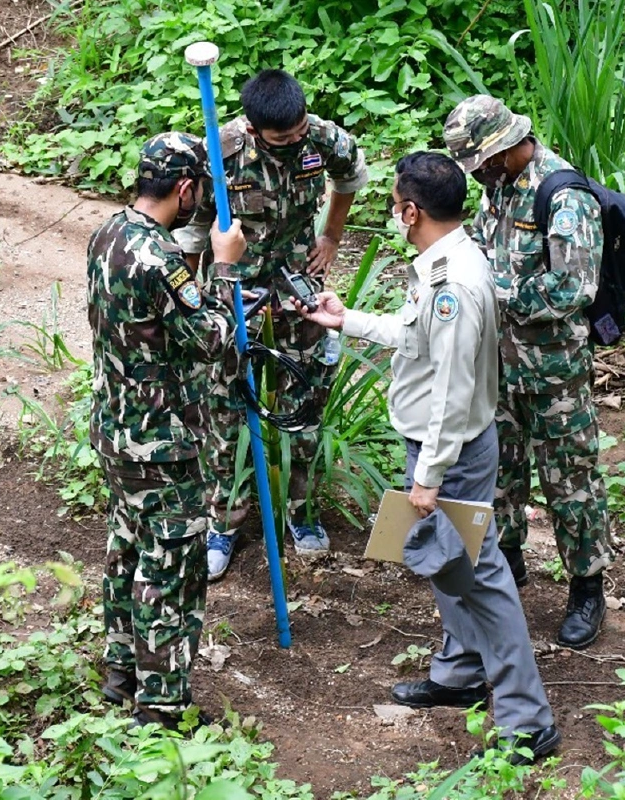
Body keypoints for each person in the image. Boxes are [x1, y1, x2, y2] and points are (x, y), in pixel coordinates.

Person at [294, 151, 560, 764]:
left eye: (393, 206)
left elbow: (451, 388)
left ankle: (528, 717)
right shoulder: (449, 262)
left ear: (410, 211)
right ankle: (460, 670)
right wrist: (346, 320)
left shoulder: (453, 285)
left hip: (453, 452)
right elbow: (419, 341)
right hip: (443, 446)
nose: (393, 214)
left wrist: (428, 475)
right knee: (448, 565)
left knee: (484, 577)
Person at [174, 69, 370, 580]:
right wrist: (193, 294)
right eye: (283, 138)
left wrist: (330, 234)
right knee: (227, 404)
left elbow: (350, 177)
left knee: (302, 399)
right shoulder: (221, 150)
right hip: (234, 292)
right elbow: (196, 229)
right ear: (257, 129)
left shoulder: (323, 137)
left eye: (300, 128)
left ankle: (300, 512)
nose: (296, 140)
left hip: (297, 289)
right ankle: (226, 520)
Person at [87, 132, 247, 729]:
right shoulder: (157, 259)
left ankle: (121, 669)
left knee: (127, 549)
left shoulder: (110, 233)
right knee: (170, 566)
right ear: (184, 188)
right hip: (163, 441)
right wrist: (225, 269)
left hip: (117, 426)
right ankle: (161, 705)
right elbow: (210, 338)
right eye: (197, 191)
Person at [443, 95, 615, 649]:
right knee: (503, 471)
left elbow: (575, 287)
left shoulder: (562, 195)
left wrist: (499, 292)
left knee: (571, 479)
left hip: (553, 371)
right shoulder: (497, 187)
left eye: (482, 163)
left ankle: (587, 588)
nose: (479, 176)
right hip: (500, 362)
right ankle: (509, 565)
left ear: (504, 146)